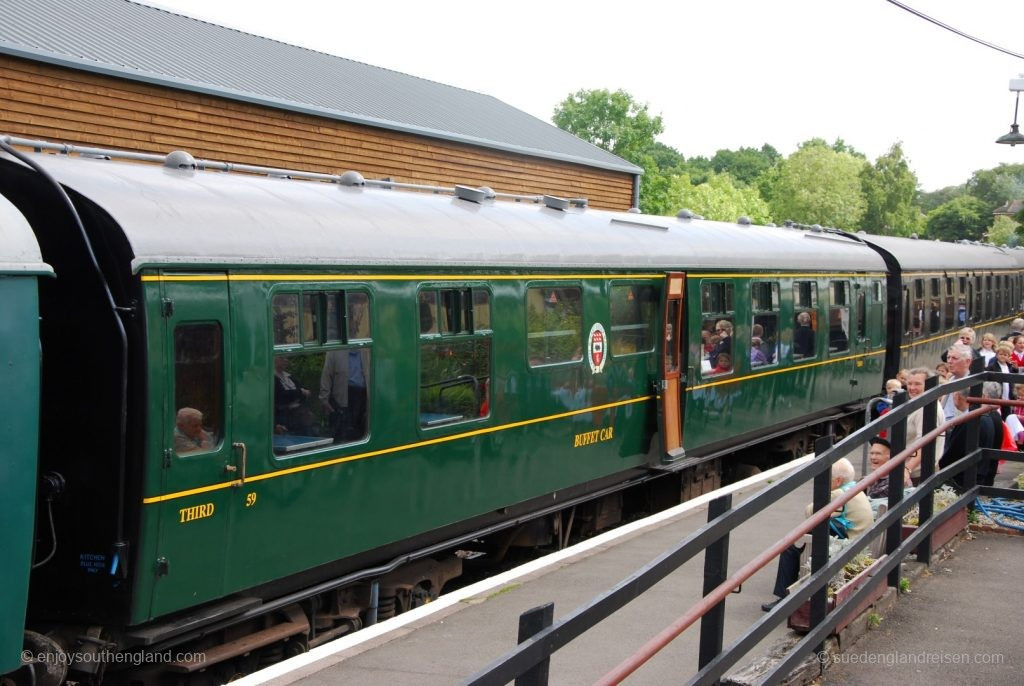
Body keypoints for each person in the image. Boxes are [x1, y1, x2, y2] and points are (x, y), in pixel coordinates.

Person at [761, 458, 873, 611]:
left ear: (838, 480)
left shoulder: (839, 493)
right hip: (858, 541)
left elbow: (810, 511)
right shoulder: (853, 487)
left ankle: (784, 598)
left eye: (825, 478)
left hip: (847, 545)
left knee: (790, 547)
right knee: (805, 536)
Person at [939, 382, 1004, 489]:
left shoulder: (971, 419)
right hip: (979, 476)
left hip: (964, 479)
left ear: (958, 396)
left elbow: (953, 452)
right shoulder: (988, 416)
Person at [904, 367, 945, 485]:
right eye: (909, 383)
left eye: (917, 384)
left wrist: (907, 469)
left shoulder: (926, 409)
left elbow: (924, 443)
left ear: (927, 385)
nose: (912, 388)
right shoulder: (921, 404)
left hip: (918, 473)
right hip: (916, 471)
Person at [319, 348, 370, 441]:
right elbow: (327, 374)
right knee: (343, 431)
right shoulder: (335, 351)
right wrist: (324, 398)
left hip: (362, 395)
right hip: (344, 395)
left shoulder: (365, 350)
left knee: (361, 431)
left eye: (354, 332)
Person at [274, 355, 313, 434]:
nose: (285, 360)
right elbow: (281, 397)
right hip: (284, 417)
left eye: (286, 358)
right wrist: (300, 392)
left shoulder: (289, 376)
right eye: (282, 358)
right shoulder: (272, 378)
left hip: (299, 414)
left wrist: (299, 393)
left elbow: (305, 391)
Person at [942, 342, 975, 422]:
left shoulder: (973, 384)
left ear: (967, 361)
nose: (949, 361)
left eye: (954, 358)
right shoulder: (950, 380)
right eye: (948, 357)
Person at [986, 341, 1018, 419]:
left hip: (1008, 396)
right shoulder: (992, 366)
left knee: (1007, 416)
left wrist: (1015, 369)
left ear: (1008, 356)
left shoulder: (1009, 366)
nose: (1002, 356)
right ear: (996, 355)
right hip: (998, 396)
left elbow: (1013, 377)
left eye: (1005, 355)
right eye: (1000, 354)